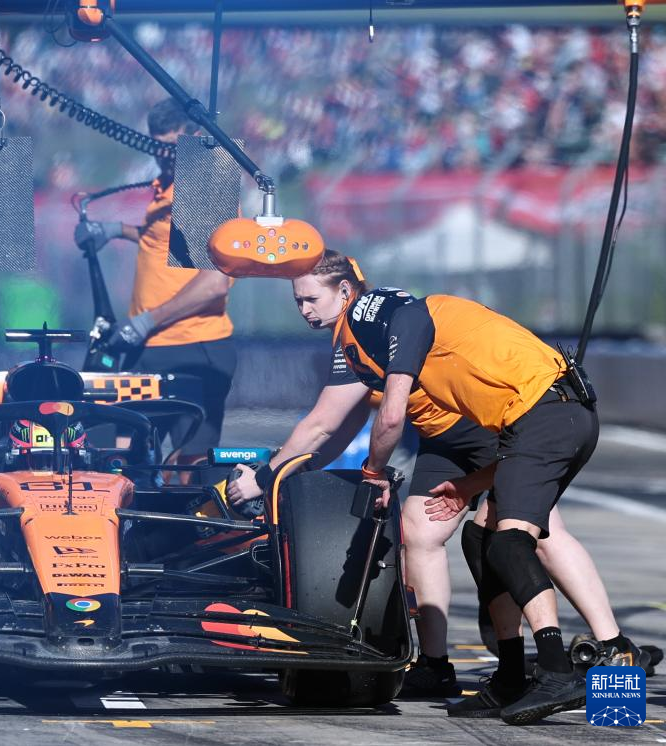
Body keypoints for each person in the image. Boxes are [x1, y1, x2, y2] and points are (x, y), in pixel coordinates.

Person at [227, 252, 645, 721]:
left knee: (532, 537)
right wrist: (297, 468)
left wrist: (270, 476)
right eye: (297, 301)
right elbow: (340, 426)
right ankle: (441, 664)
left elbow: (334, 422)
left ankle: (610, 646)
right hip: (448, 437)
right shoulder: (355, 339)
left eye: (310, 299)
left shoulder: (380, 322)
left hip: (495, 422)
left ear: (347, 292)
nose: (303, 309)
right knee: (431, 533)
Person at [75, 98, 236, 464]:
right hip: (147, 345)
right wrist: (114, 230)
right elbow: (166, 241)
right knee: (119, 452)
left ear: (195, 137)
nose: (162, 155)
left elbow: (215, 283)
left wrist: (147, 320)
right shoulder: (167, 186)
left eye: (171, 145)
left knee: (190, 462)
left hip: (193, 347)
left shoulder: (206, 188)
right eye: (156, 145)